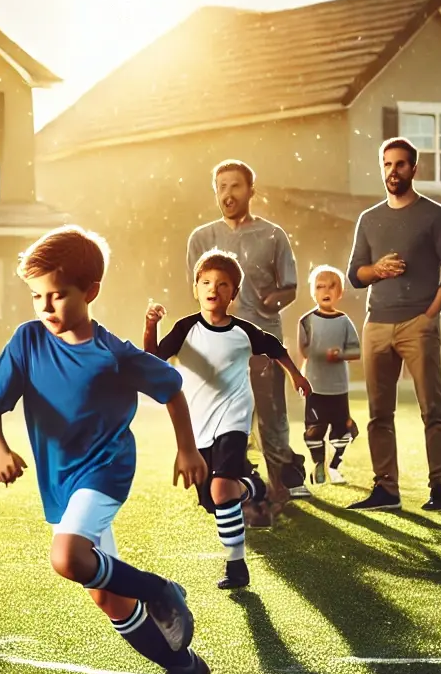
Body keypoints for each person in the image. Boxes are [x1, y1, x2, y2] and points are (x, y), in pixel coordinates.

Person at [0, 225, 212, 674]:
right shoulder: (27, 341)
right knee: (107, 596)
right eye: (37, 296)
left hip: (105, 469)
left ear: (91, 291)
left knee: (67, 558)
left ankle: (161, 590)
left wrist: (188, 450)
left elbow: (171, 389)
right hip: (59, 483)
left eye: (57, 295)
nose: (45, 307)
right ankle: (184, 667)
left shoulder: (114, 354)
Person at [146, 250, 311, 590]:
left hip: (234, 417)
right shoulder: (185, 329)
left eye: (223, 285)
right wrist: (151, 326)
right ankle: (254, 485)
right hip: (197, 424)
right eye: (206, 282)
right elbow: (152, 360)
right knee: (212, 500)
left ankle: (236, 567)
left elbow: (274, 347)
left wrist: (296, 375)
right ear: (195, 289)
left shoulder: (244, 331)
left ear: (233, 294)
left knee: (221, 490)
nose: (213, 289)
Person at [347, 137, 441, 512]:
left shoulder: (434, 215)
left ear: (414, 168)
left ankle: (439, 487)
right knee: (379, 413)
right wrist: (376, 270)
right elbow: (355, 275)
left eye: (400, 164)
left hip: (418, 323)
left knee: (432, 408)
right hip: (376, 325)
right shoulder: (369, 219)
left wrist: (432, 312)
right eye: (387, 164)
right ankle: (386, 489)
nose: (393, 171)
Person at [185, 159, 304, 505]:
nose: (228, 193)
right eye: (221, 187)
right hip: (219, 344)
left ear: (251, 190)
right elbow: (194, 289)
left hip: (261, 341)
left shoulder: (272, 235)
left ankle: (283, 483)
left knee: (270, 414)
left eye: (235, 186)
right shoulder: (201, 238)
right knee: (225, 418)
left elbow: (290, 287)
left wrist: (268, 301)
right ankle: (239, 484)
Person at [297, 265, 361, 485]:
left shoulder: (344, 321)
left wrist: (340, 354)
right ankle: (318, 463)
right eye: (320, 286)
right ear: (312, 292)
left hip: (338, 388)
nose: (325, 291)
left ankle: (334, 466)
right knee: (314, 430)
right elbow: (303, 350)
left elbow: (356, 351)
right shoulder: (306, 321)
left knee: (341, 431)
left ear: (339, 292)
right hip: (315, 386)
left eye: (331, 287)